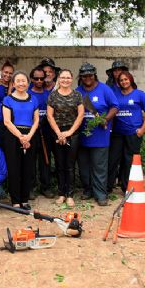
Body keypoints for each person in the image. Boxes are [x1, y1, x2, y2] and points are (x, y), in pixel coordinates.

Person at [75, 63, 118, 206]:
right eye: (84, 76)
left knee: (99, 166)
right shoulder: (77, 91)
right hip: (82, 136)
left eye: (90, 75)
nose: (87, 78)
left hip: (100, 136)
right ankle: (88, 190)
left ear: (94, 75)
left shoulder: (105, 90)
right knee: (84, 167)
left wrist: (105, 119)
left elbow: (115, 107)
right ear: (80, 77)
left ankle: (100, 194)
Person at [108, 71, 145, 194]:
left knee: (129, 161)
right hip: (117, 133)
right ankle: (108, 187)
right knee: (113, 159)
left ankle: (127, 187)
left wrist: (142, 129)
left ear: (131, 80)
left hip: (133, 133)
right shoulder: (115, 94)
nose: (124, 82)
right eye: (121, 80)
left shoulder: (139, 95)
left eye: (126, 79)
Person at [46, 69, 84, 207]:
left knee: (70, 165)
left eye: (68, 77)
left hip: (72, 133)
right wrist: (59, 133)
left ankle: (70, 194)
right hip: (56, 133)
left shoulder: (77, 95)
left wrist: (69, 132)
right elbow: (50, 116)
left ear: (72, 79)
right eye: (63, 77)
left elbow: (80, 115)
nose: (65, 80)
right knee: (59, 164)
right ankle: (61, 193)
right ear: (59, 79)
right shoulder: (53, 96)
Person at [2, 70, 39, 210]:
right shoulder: (8, 99)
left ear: (28, 83)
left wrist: (28, 136)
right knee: (14, 168)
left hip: (30, 135)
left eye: (23, 80)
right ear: (13, 83)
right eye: (18, 81)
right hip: (13, 135)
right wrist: (20, 137)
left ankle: (24, 199)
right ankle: (15, 201)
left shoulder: (33, 99)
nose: (21, 83)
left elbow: (36, 120)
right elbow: (6, 121)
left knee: (27, 168)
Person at [28, 66, 52, 198]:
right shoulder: (26, 94)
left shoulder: (48, 94)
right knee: (30, 161)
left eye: (41, 78)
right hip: (31, 132)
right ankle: (30, 187)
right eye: (36, 78)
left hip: (46, 132)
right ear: (31, 79)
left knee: (45, 160)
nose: (39, 81)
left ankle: (46, 187)